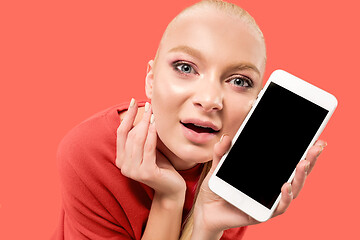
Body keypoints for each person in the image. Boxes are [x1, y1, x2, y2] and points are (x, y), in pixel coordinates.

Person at [52, 0, 327, 239]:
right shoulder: (88, 153)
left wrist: (207, 226)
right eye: (185, 68)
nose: (209, 100)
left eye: (240, 81)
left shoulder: (235, 169)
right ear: (150, 79)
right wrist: (170, 199)